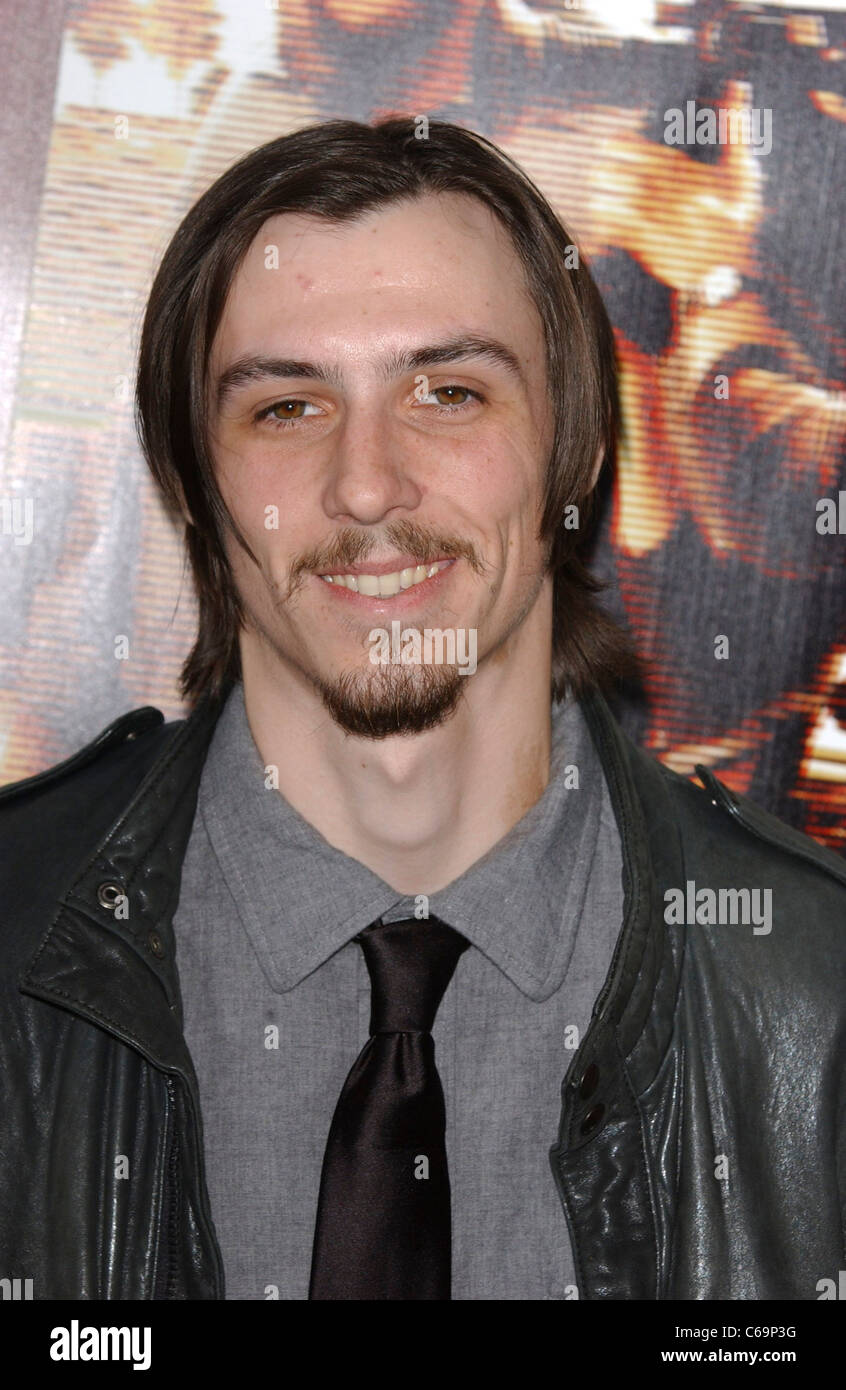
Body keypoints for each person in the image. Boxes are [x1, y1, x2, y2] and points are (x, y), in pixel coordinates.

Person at [1, 116, 844, 1302]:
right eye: (285, 407)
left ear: (578, 447)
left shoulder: (818, 995)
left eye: (448, 392)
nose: (366, 483)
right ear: (194, 481)